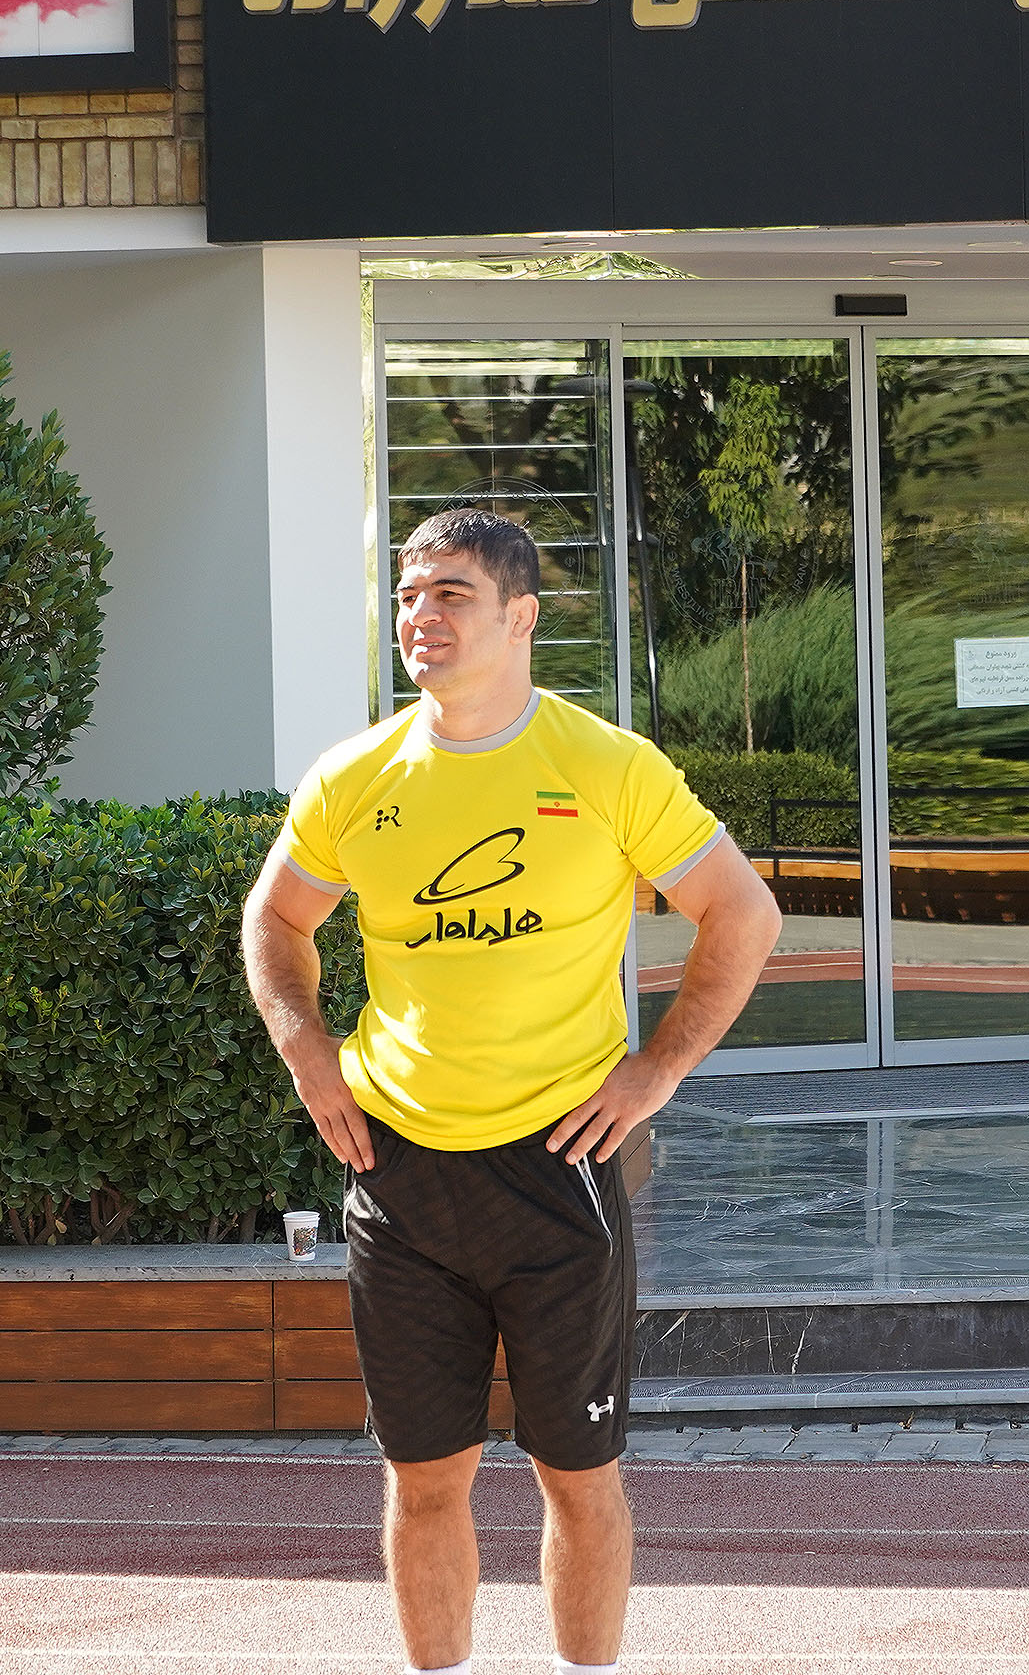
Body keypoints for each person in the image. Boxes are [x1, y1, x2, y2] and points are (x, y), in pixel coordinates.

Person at [242, 506, 781, 1675]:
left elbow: (743, 911)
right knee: (423, 1475)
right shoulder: (356, 776)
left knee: (578, 1476)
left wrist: (656, 1068)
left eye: (451, 594)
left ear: (521, 615)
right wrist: (306, 1047)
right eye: (408, 595)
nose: (419, 616)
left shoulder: (606, 766)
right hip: (398, 1170)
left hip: (556, 1168)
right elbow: (276, 915)